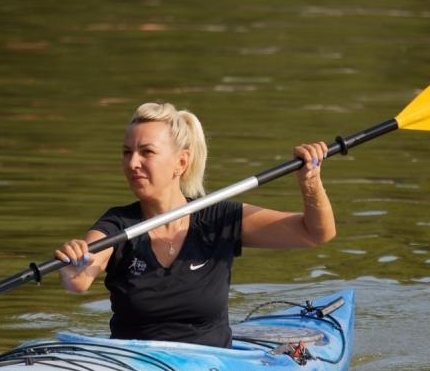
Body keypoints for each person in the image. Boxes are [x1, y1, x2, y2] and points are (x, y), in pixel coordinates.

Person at [54, 102, 335, 348]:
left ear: (181, 161)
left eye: (146, 152)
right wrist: (74, 262)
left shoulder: (218, 218)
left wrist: (310, 182)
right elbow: (78, 281)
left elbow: (315, 234)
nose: (132, 163)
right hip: (136, 365)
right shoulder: (117, 225)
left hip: (211, 368)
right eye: (127, 152)